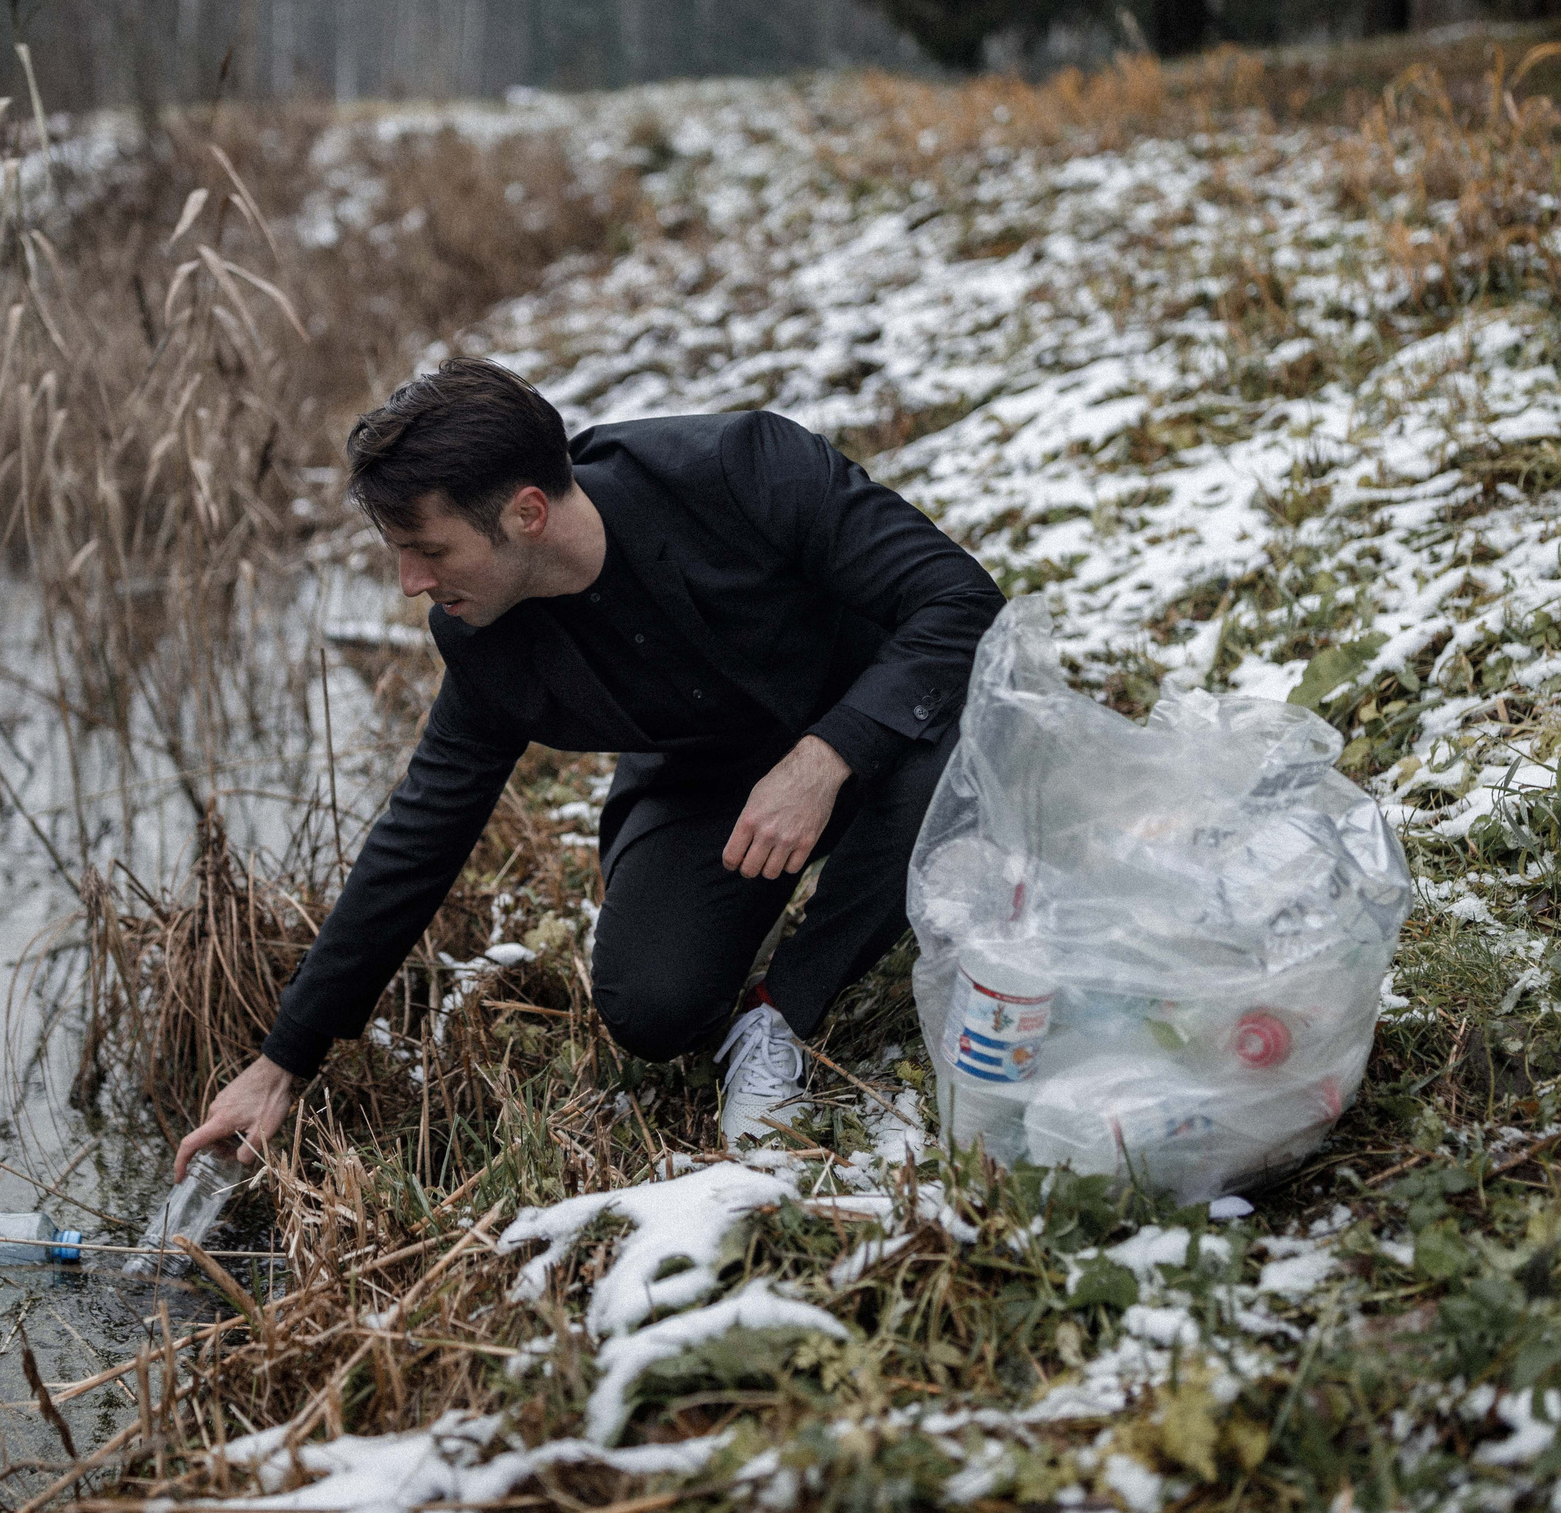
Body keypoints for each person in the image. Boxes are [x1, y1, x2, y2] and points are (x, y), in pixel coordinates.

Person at [173, 358, 1002, 1179]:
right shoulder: (482, 637)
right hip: (706, 776)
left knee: (952, 764)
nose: (409, 583)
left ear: (528, 512)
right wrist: (284, 1057)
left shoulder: (742, 467)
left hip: (884, 719)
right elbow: (421, 830)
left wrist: (827, 755)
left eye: (429, 550)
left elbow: (961, 600)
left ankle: (782, 1012)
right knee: (651, 1002)